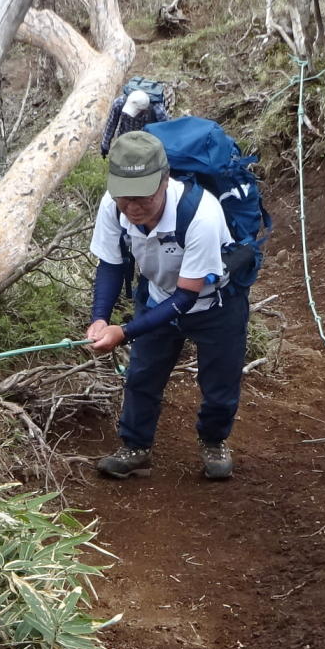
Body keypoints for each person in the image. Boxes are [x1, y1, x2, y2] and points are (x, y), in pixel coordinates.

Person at [83, 129, 244, 481]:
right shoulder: (113, 207)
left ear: (165, 179)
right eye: (125, 197)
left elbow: (187, 296)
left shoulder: (201, 213)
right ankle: (136, 447)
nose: (133, 206)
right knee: (142, 377)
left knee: (219, 385)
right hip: (157, 297)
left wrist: (122, 332)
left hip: (215, 306)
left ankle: (214, 440)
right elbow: (111, 264)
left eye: (144, 196)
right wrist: (100, 317)